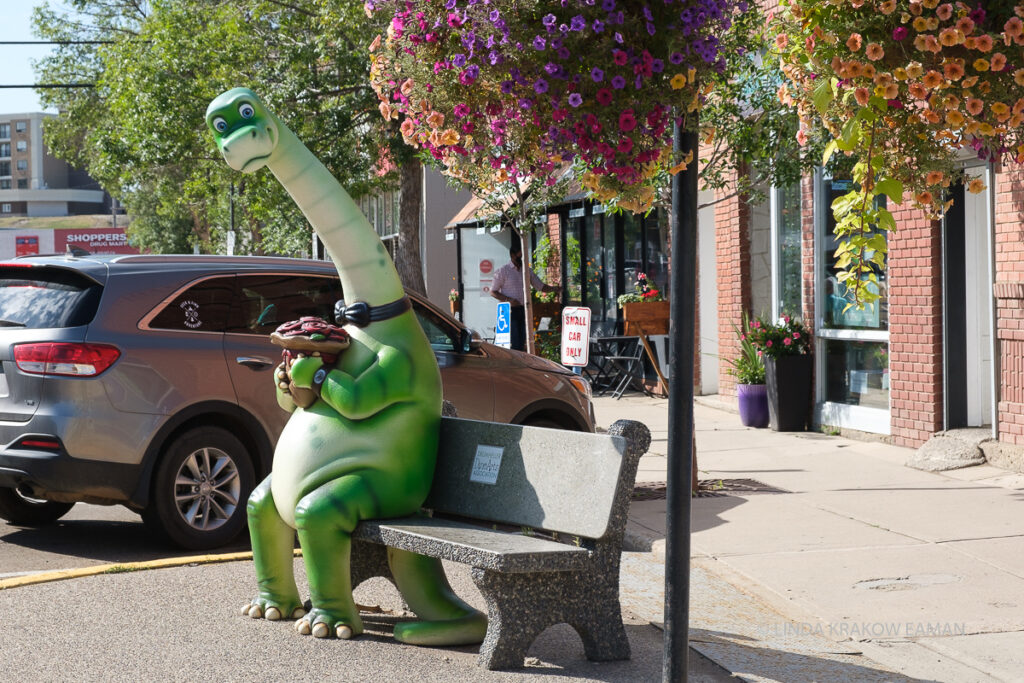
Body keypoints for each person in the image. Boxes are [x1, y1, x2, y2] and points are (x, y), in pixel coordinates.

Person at [490, 243, 558, 351]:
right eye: (519, 256)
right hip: (510, 311)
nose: (521, 259)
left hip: (524, 309)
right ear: (512, 255)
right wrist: (508, 300)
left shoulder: (527, 271)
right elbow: (493, 291)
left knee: (522, 341)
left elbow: (540, 286)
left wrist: (556, 289)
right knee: (514, 341)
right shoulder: (503, 271)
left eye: (523, 256)